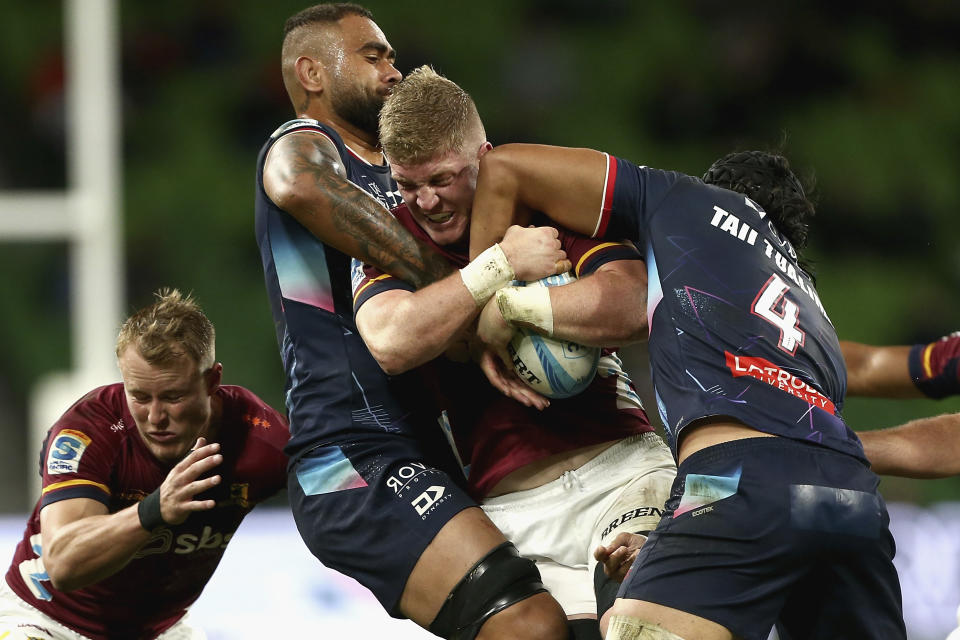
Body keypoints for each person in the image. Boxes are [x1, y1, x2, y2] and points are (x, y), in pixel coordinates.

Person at [467, 147, 908, 640]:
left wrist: (487, 307)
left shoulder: (685, 198)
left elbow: (504, 167)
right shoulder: (814, 308)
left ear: (718, 184)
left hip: (731, 477)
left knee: (631, 628)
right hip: (853, 499)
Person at [255, 5, 571, 638]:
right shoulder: (305, 144)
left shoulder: (404, 180)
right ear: (312, 72)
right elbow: (297, 185)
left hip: (422, 442)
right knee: (525, 623)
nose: (393, 71)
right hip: (347, 451)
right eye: (374, 56)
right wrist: (473, 292)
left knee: (571, 619)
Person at [351, 65, 676, 640]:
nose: (425, 201)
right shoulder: (388, 237)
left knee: (643, 620)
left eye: (443, 179)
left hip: (623, 473)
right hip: (508, 515)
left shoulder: (545, 202)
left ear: (484, 156)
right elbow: (391, 341)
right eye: (406, 184)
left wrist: (514, 310)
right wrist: (498, 269)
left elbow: (633, 304)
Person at [0, 289, 288, 640]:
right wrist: (155, 509)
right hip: (45, 621)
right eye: (138, 396)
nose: (154, 418)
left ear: (212, 381)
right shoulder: (87, 431)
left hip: (160, 630)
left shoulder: (261, 440)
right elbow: (62, 564)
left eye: (173, 396)